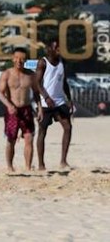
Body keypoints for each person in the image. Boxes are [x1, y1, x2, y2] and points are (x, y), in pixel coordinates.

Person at [0, 47, 41, 172]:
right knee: (11, 139)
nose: (19, 61)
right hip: (12, 110)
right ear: (13, 59)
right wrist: (9, 105)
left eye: (22, 59)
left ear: (26, 60)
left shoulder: (30, 75)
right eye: (17, 58)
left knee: (29, 138)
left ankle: (28, 167)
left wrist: (39, 108)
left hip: (26, 109)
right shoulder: (7, 74)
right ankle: (10, 166)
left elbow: (36, 93)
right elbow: (0, 94)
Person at [35, 39, 74, 171]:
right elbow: (37, 83)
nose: (59, 50)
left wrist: (69, 98)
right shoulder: (43, 62)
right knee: (42, 131)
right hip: (46, 103)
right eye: (56, 48)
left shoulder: (63, 62)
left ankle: (63, 160)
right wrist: (46, 97)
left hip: (59, 101)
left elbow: (64, 82)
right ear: (50, 49)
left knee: (68, 127)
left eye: (60, 48)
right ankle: (41, 164)